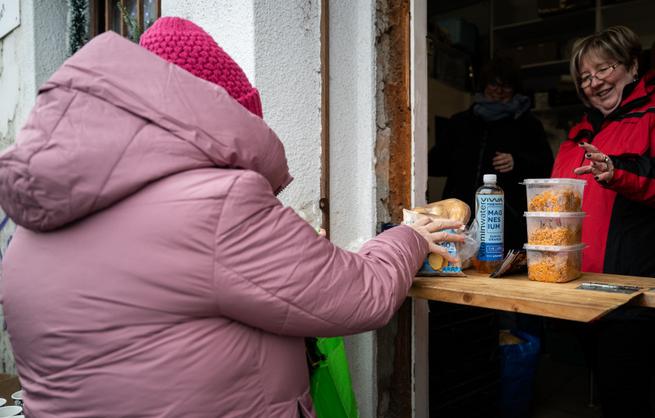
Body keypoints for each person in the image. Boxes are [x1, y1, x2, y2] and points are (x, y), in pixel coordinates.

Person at [0, 17, 462, 417]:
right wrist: (410, 235)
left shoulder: (35, 222)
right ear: (217, 118)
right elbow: (362, 294)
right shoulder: (218, 205)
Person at [551, 26, 655, 417]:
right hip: (580, 287)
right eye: (585, 78)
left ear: (631, 66)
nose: (594, 84)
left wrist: (619, 171)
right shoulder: (579, 132)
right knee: (607, 385)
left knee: (625, 395)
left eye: (603, 69)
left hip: (631, 288)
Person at [429, 53, 553, 251]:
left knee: (500, 271)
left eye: (506, 86)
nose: (499, 91)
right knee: (456, 265)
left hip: (507, 223)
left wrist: (517, 162)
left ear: (515, 89)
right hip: (458, 219)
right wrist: (459, 156)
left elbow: (547, 166)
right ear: (483, 85)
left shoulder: (528, 124)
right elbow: (434, 163)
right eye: (494, 84)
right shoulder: (460, 122)